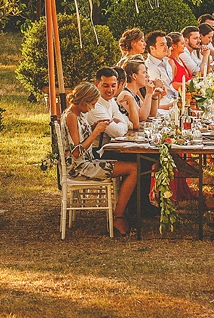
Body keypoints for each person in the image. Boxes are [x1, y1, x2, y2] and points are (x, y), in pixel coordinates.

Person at [62, 82, 139, 235]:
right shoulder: (71, 117)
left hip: (88, 161)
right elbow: (76, 152)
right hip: (81, 167)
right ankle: (118, 217)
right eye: (91, 104)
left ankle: (124, 212)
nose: (92, 108)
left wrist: (93, 126)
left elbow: (80, 136)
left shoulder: (78, 114)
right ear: (83, 101)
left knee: (132, 166)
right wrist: (96, 132)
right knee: (133, 169)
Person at [84, 67, 130, 140]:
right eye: (106, 86)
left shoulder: (111, 100)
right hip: (97, 149)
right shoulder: (94, 105)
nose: (110, 90)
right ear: (96, 85)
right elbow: (118, 132)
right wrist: (122, 124)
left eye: (113, 86)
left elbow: (127, 122)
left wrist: (122, 123)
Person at [118, 59, 159, 126]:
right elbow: (142, 117)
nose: (147, 76)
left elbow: (150, 115)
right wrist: (148, 94)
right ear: (134, 76)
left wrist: (154, 96)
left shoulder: (135, 95)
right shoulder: (125, 94)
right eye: (144, 73)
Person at [143, 30, 178, 109]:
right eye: (162, 45)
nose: (166, 47)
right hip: (164, 105)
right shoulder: (150, 68)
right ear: (152, 48)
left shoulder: (166, 61)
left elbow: (170, 86)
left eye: (166, 44)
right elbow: (158, 95)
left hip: (173, 99)